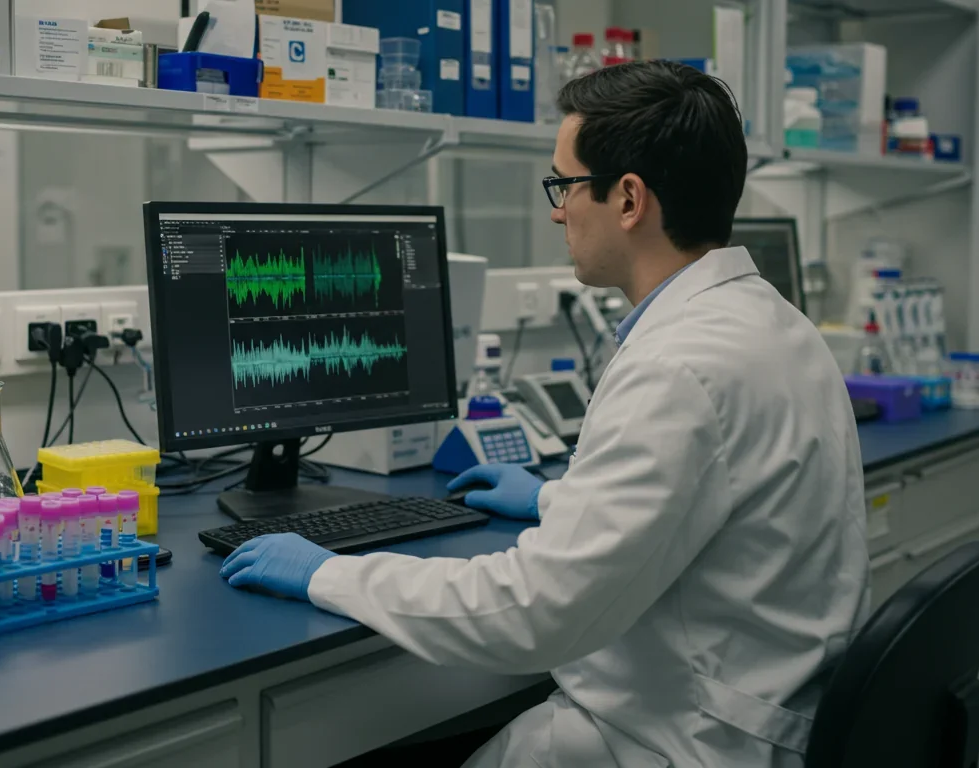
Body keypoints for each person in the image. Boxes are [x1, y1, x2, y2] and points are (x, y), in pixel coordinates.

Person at [220, 60, 870, 768]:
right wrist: (552, 500)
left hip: (677, 739)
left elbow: (533, 612)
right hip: (754, 707)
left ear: (629, 199)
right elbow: (710, 494)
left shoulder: (676, 367)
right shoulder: (773, 321)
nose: (558, 211)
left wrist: (328, 575)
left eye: (565, 186)